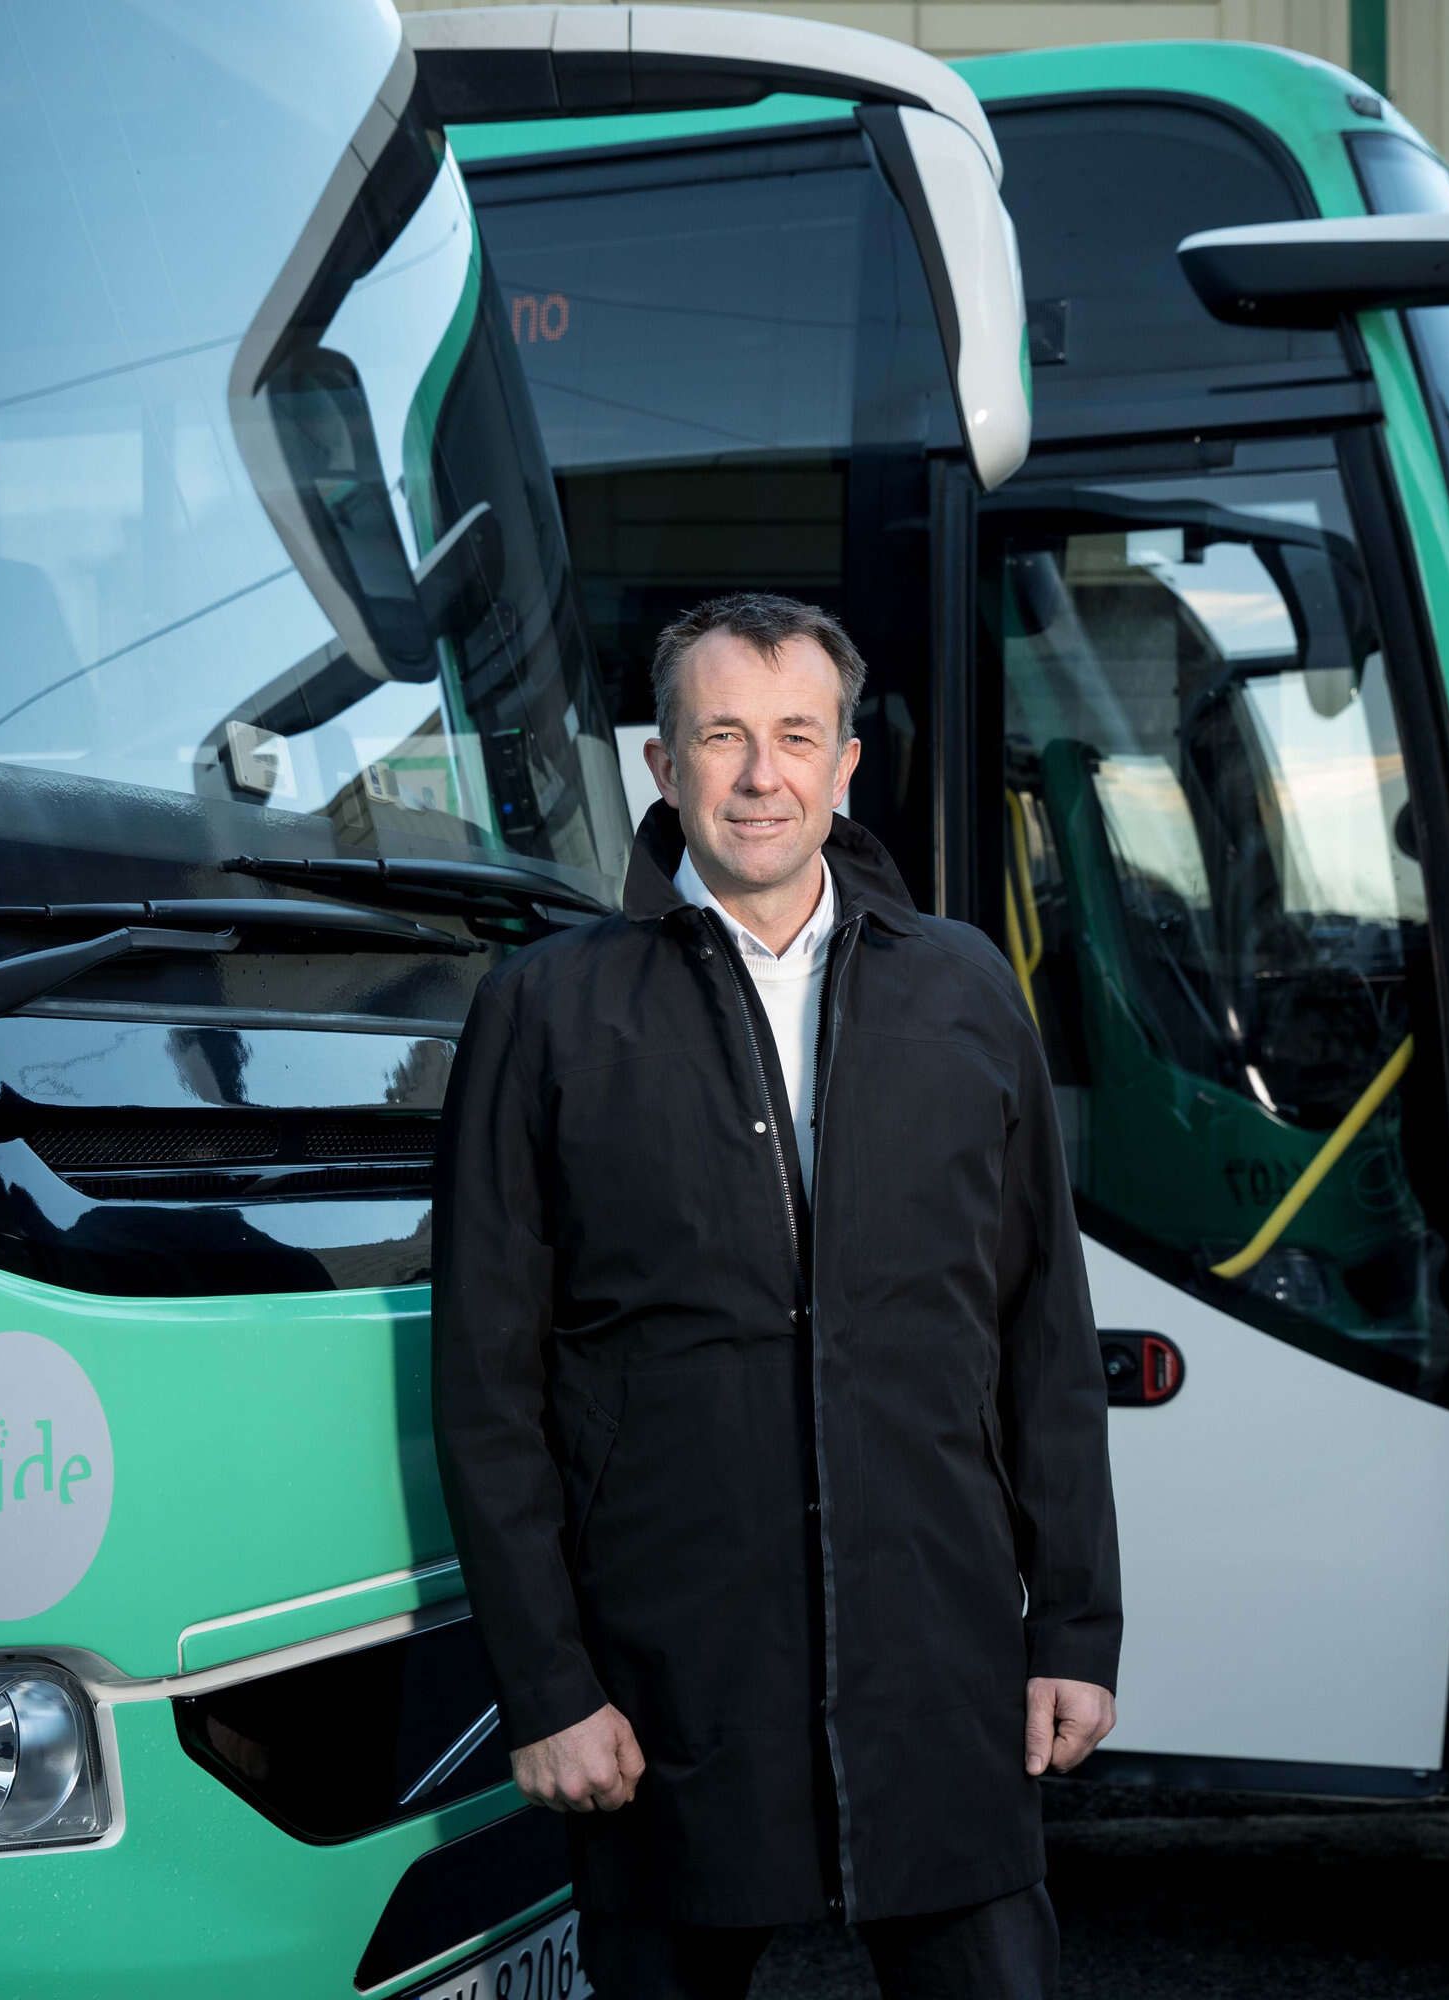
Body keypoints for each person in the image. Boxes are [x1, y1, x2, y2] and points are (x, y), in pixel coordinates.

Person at [432, 593, 1122, 1999]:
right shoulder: (543, 1011)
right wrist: (549, 1687)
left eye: (797, 737)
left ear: (845, 763)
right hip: (669, 1683)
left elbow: (1044, 1338)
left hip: (936, 1663)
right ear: (661, 764)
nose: (762, 776)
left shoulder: (967, 991)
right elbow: (486, 1385)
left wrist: (1074, 1629)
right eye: (723, 736)